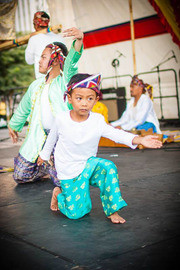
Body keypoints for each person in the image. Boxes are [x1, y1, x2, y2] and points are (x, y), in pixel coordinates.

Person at [37, 73, 162, 224]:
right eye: (79, 98)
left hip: (89, 164)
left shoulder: (97, 120)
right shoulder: (61, 119)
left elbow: (116, 134)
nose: (84, 103)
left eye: (90, 98)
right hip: (68, 169)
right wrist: (43, 156)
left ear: (96, 100)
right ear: (69, 98)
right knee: (77, 213)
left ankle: (112, 211)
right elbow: (51, 140)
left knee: (108, 167)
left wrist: (140, 139)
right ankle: (59, 194)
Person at [8, 27, 84, 185]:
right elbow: (23, 107)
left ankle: (58, 166)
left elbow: (71, 61)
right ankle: (45, 168)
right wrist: (13, 125)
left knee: (62, 182)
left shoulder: (65, 81)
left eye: (43, 57)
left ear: (55, 60)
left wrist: (79, 41)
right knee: (20, 175)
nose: (39, 61)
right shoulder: (35, 85)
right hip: (38, 136)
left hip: (60, 138)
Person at [25, 11, 65, 79]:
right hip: (61, 77)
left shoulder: (34, 38)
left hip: (43, 79)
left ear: (36, 24)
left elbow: (29, 61)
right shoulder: (59, 37)